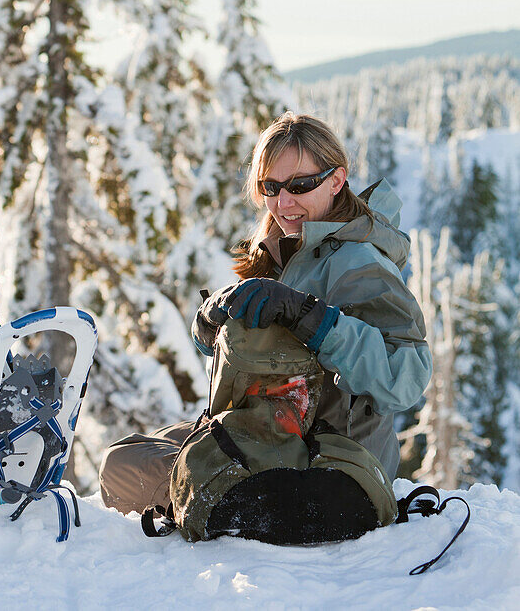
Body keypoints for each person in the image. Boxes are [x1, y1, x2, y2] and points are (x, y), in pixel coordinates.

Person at [99, 112, 432, 526]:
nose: (283, 203)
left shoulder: (357, 263)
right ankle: (227, 501)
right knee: (123, 462)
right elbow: (256, 359)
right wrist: (209, 328)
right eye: (270, 187)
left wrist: (317, 321)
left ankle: (228, 503)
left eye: (300, 185)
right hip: (261, 433)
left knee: (145, 477)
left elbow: (407, 378)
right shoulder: (280, 249)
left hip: (329, 456)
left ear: (336, 180)